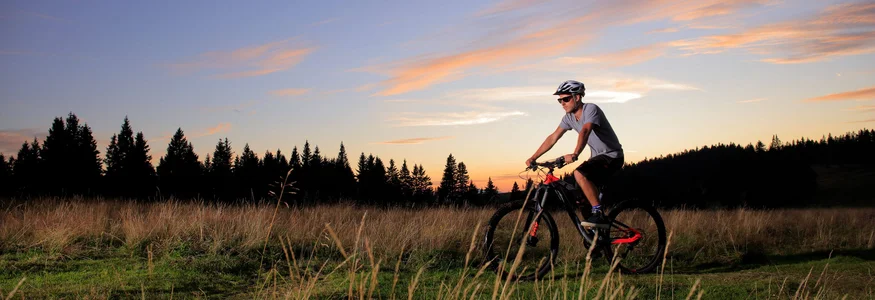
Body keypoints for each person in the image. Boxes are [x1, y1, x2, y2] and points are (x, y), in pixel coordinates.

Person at [525, 80, 624, 229]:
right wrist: (534, 157)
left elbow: (585, 130)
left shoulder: (591, 109)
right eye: (560, 100)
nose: (562, 103)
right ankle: (595, 235)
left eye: (566, 99)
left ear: (577, 97)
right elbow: (553, 137)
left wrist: (575, 153)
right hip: (597, 158)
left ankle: (598, 214)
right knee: (579, 196)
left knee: (579, 173)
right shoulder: (569, 118)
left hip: (612, 156)